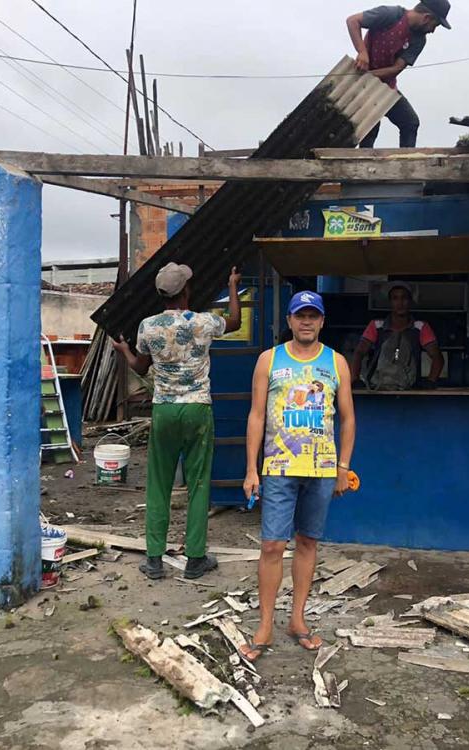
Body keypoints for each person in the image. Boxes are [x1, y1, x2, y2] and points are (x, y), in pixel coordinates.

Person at [240, 291, 356, 660]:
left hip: (321, 469)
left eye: (313, 316)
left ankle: (298, 620)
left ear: (322, 321)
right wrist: (251, 469)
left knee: (307, 543)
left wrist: (343, 468)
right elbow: (257, 415)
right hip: (278, 468)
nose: (306, 322)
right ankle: (265, 626)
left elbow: (347, 419)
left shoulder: (336, 363)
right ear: (289, 320)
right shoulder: (269, 360)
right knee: (272, 546)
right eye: (300, 315)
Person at [112, 263, 241, 580]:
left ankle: (154, 560)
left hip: (165, 410)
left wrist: (124, 350)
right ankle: (195, 559)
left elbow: (140, 368)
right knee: (198, 483)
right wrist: (232, 284)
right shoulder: (204, 322)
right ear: (186, 290)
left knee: (159, 483)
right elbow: (236, 321)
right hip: (197, 408)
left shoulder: (148, 327)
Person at [346, 1, 452, 148]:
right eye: (435, 25)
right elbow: (353, 21)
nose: (432, 30)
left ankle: (406, 160)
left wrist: (369, 75)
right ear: (426, 18)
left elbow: (396, 68)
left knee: (410, 122)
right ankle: (363, 160)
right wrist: (362, 52)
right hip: (363, 85)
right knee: (370, 127)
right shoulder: (391, 15)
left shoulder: (419, 39)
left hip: (386, 87)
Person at [349, 281, 444, 390]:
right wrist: (355, 379)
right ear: (390, 302)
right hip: (377, 388)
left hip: (410, 389)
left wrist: (431, 381)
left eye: (404, 298)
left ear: (410, 301)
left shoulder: (421, 327)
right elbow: (359, 352)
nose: (400, 303)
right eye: (395, 298)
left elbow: (437, 356)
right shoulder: (376, 325)